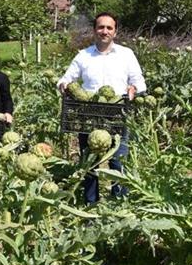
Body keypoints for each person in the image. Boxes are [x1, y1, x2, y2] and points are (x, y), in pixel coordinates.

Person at [57, 12, 146, 204]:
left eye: (109, 28)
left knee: (118, 161)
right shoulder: (83, 56)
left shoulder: (126, 54)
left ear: (115, 31)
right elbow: (66, 78)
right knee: (89, 162)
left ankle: (119, 203)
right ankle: (91, 204)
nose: (104, 31)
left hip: (117, 114)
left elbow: (139, 82)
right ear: (94, 30)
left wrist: (133, 88)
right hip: (89, 115)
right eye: (100, 27)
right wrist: (64, 85)